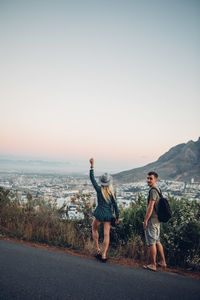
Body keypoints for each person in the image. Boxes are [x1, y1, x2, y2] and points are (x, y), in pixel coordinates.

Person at [89, 158, 119, 262]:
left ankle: (97, 249)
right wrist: (117, 216)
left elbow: (92, 179)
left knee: (94, 229)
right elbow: (115, 206)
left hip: (99, 214)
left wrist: (92, 166)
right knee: (107, 235)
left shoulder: (99, 190)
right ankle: (104, 255)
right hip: (108, 215)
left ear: (102, 182)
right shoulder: (112, 192)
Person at [143, 171, 166, 271]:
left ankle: (153, 264)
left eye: (150, 178)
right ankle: (162, 261)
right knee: (157, 241)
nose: (148, 180)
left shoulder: (153, 190)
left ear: (155, 179)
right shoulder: (158, 189)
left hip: (152, 220)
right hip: (158, 220)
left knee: (152, 242)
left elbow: (151, 206)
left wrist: (145, 220)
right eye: (148, 178)